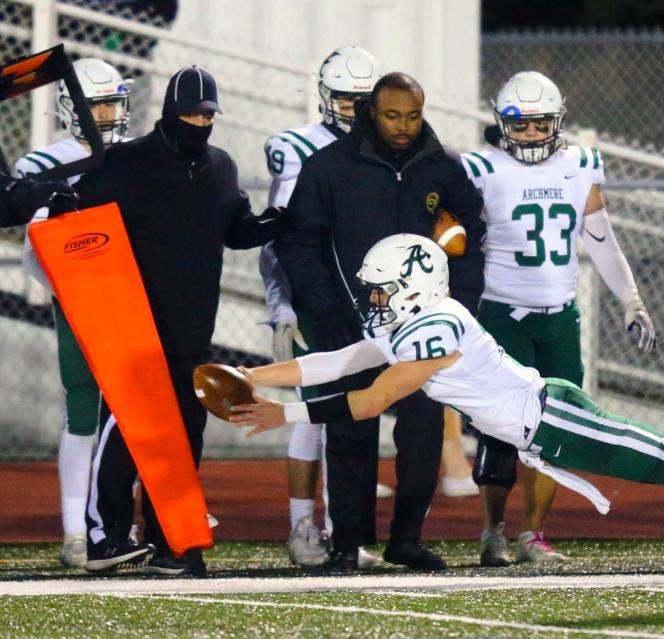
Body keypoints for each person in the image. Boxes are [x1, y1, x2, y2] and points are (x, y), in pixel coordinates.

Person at [226, 234, 664, 543]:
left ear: (411, 287)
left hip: (552, 419)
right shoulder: (413, 323)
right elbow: (332, 363)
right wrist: (252, 377)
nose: (372, 300)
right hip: (541, 422)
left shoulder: (436, 327)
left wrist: (286, 416)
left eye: (380, 289)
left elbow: (373, 398)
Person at [273, 72, 486, 573]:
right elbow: (297, 242)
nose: (404, 126)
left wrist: (462, 308)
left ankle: (406, 540)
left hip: (418, 329)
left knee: (423, 430)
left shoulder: (443, 166)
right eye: (392, 115)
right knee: (349, 430)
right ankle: (346, 544)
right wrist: (328, 309)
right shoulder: (329, 167)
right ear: (371, 111)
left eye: (412, 116)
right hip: (350, 323)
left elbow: (471, 235)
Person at [73, 65, 281, 575]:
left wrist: (285, 219)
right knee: (124, 434)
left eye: (208, 114)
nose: (199, 122)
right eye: (191, 112)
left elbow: (236, 231)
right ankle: (105, 537)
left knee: (185, 440)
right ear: (170, 110)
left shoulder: (221, 167)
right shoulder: (127, 162)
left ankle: (171, 542)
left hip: (192, 333)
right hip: (134, 328)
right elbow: (76, 223)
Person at [461, 71, 655, 567]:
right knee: (500, 428)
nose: (529, 135)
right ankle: (491, 532)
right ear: (502, 124)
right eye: (519, 125)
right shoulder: (481, 168)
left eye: (539, 124)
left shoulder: (580, 165)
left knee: (555, 427)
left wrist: (631, 299)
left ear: (557, 122)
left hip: (559, 318)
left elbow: (602, 240)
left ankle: (534, 533)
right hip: (501, 316)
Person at [260, 45, 389, 570]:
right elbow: (279, 239)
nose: (355, 109)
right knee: (318, 416)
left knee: (358, 414)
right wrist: (281, 307)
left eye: (364, 99)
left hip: (372, 302)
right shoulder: (297, 148)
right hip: (319, 301)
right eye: (345, 98)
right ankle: (302, 525)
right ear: (324, 96)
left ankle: (346, 534)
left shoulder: (390, 148)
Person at [14, 57, 132, 569]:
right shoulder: (42, 164)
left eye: (111, 101)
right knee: (83, 413)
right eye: (96, 102)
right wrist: (74, 289)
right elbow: (33, 251)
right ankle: (73, 532)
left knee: (137, 415)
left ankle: (124, 524)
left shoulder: (139, 156)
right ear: (70, 108)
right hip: (80, 301)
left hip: (137, 300)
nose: (106, 113)